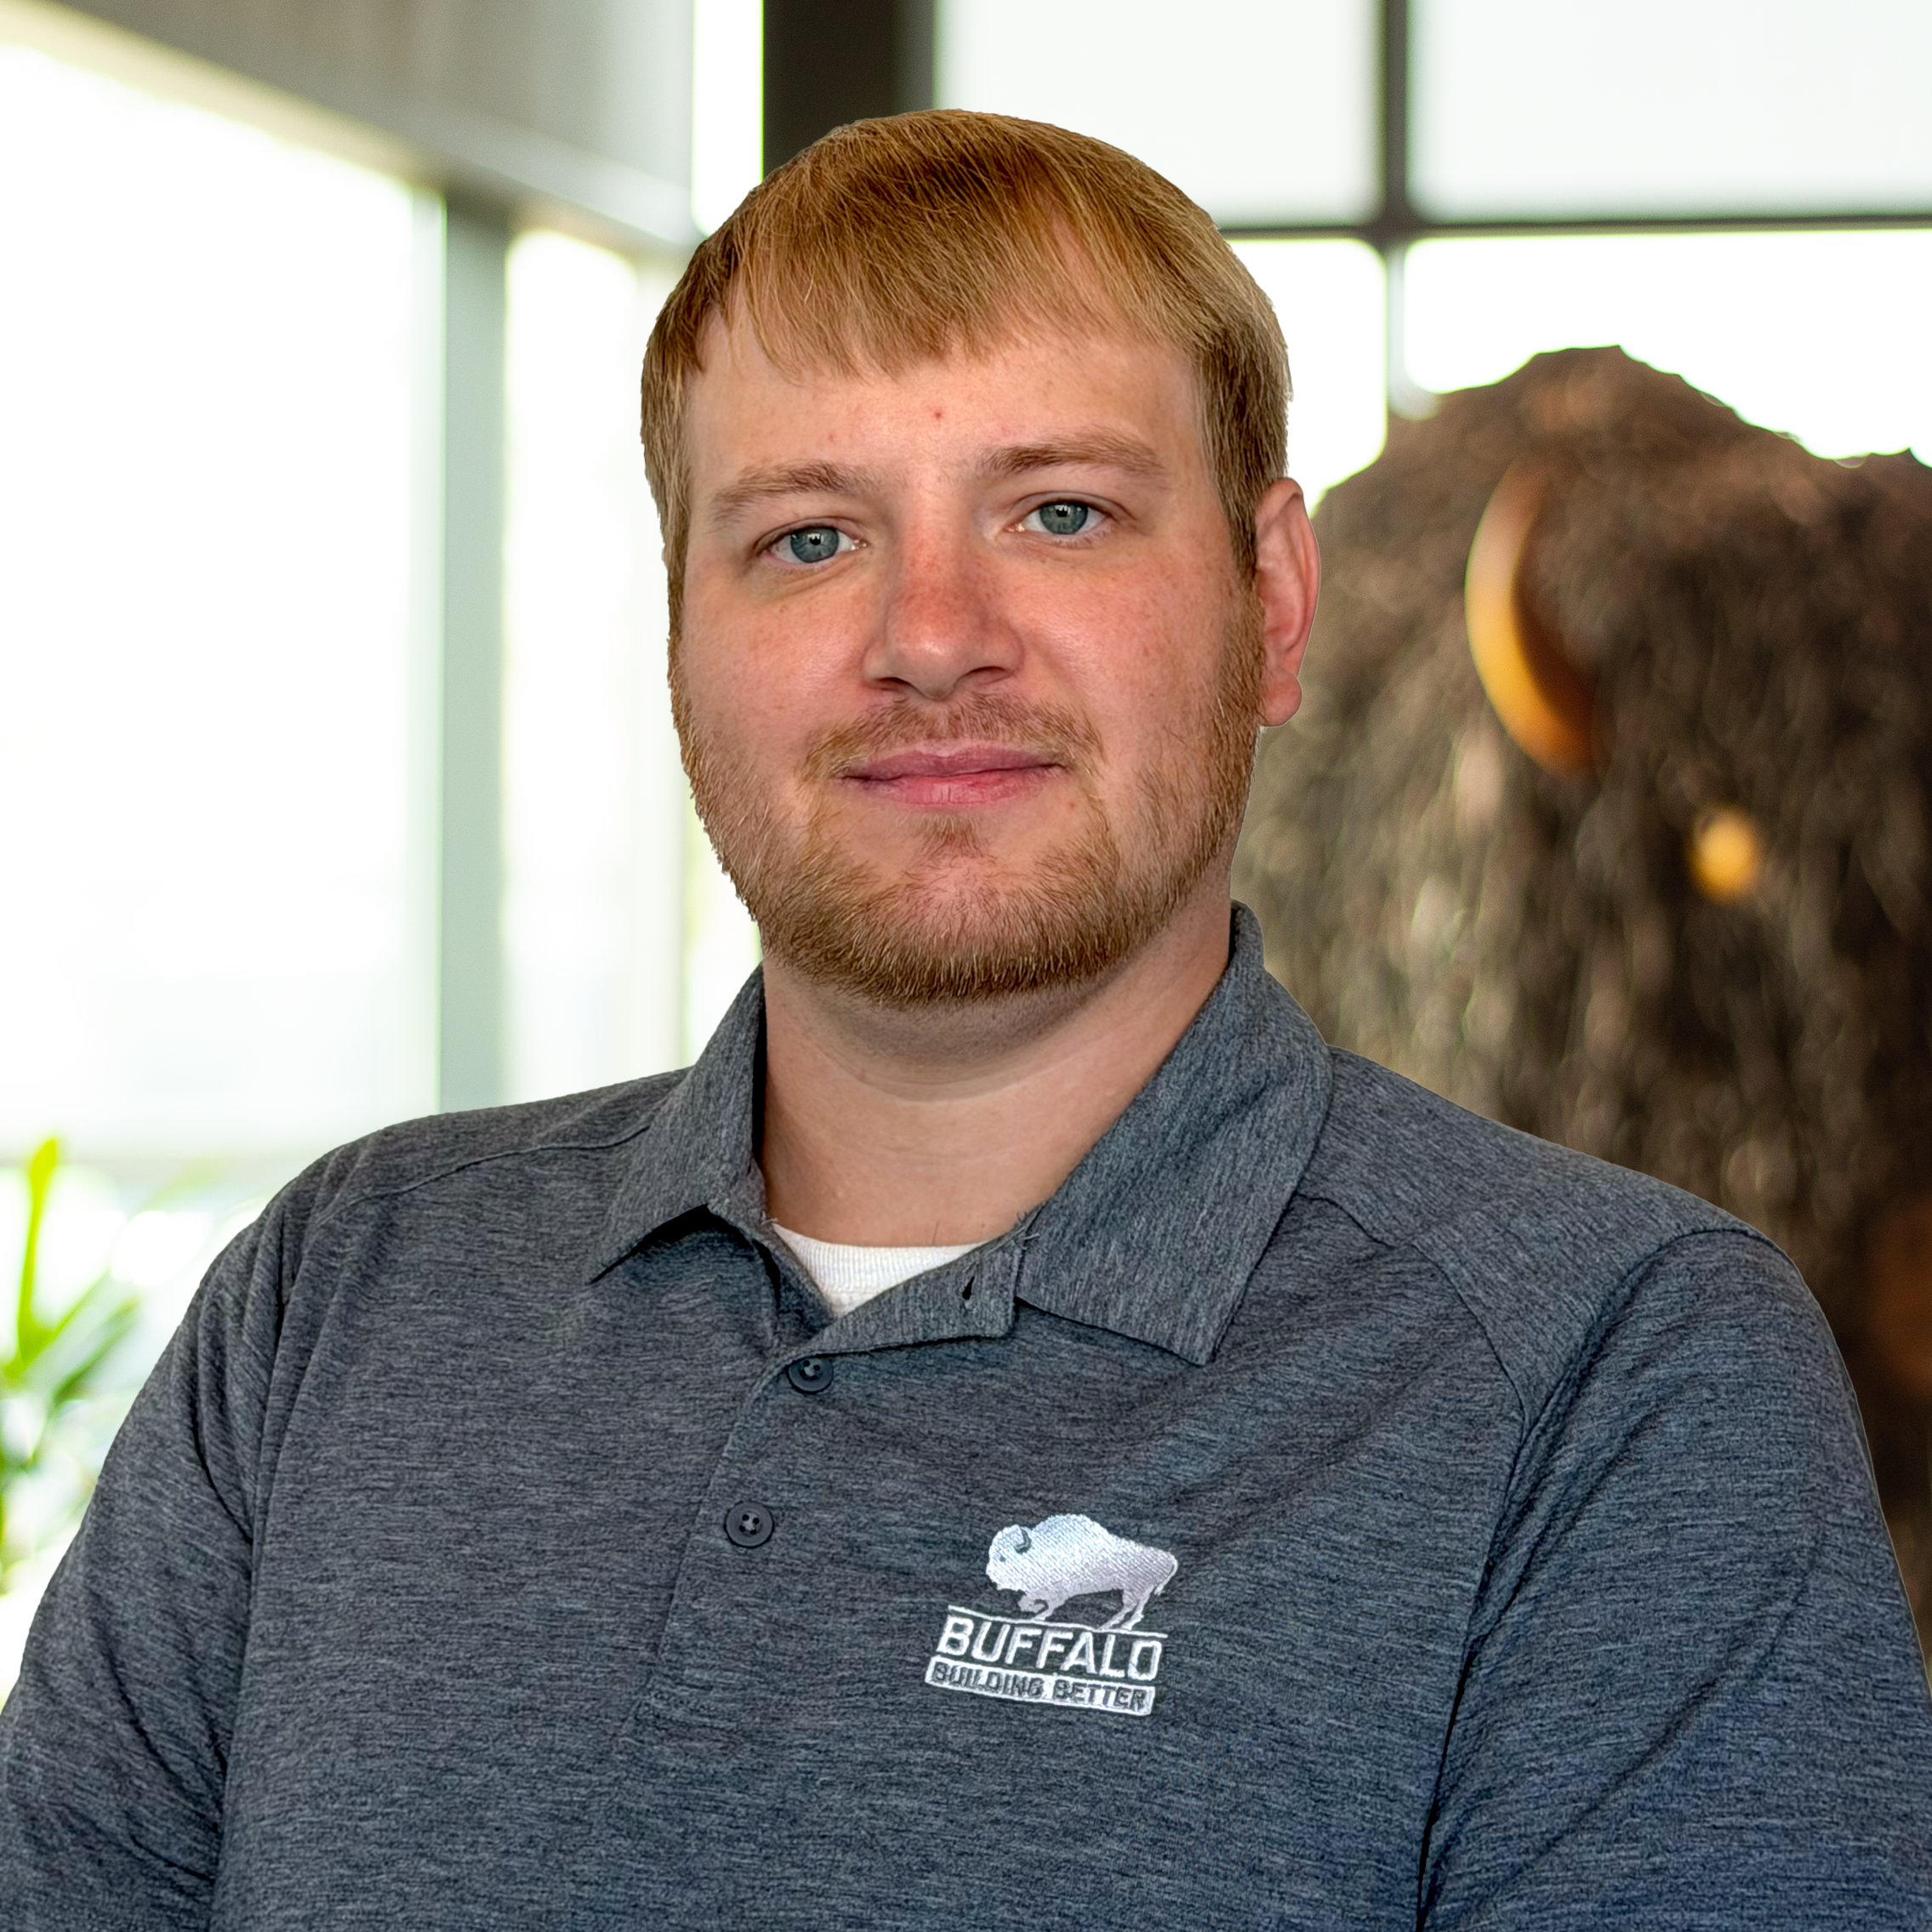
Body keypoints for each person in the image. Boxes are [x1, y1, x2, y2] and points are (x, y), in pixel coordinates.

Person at [3, 110, 1929, 1930]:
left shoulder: (1618, 1375)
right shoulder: (342, 1288)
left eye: (1062, 513)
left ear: (1270, 602)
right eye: (809, 538)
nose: (931, 633)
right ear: (679, 628)